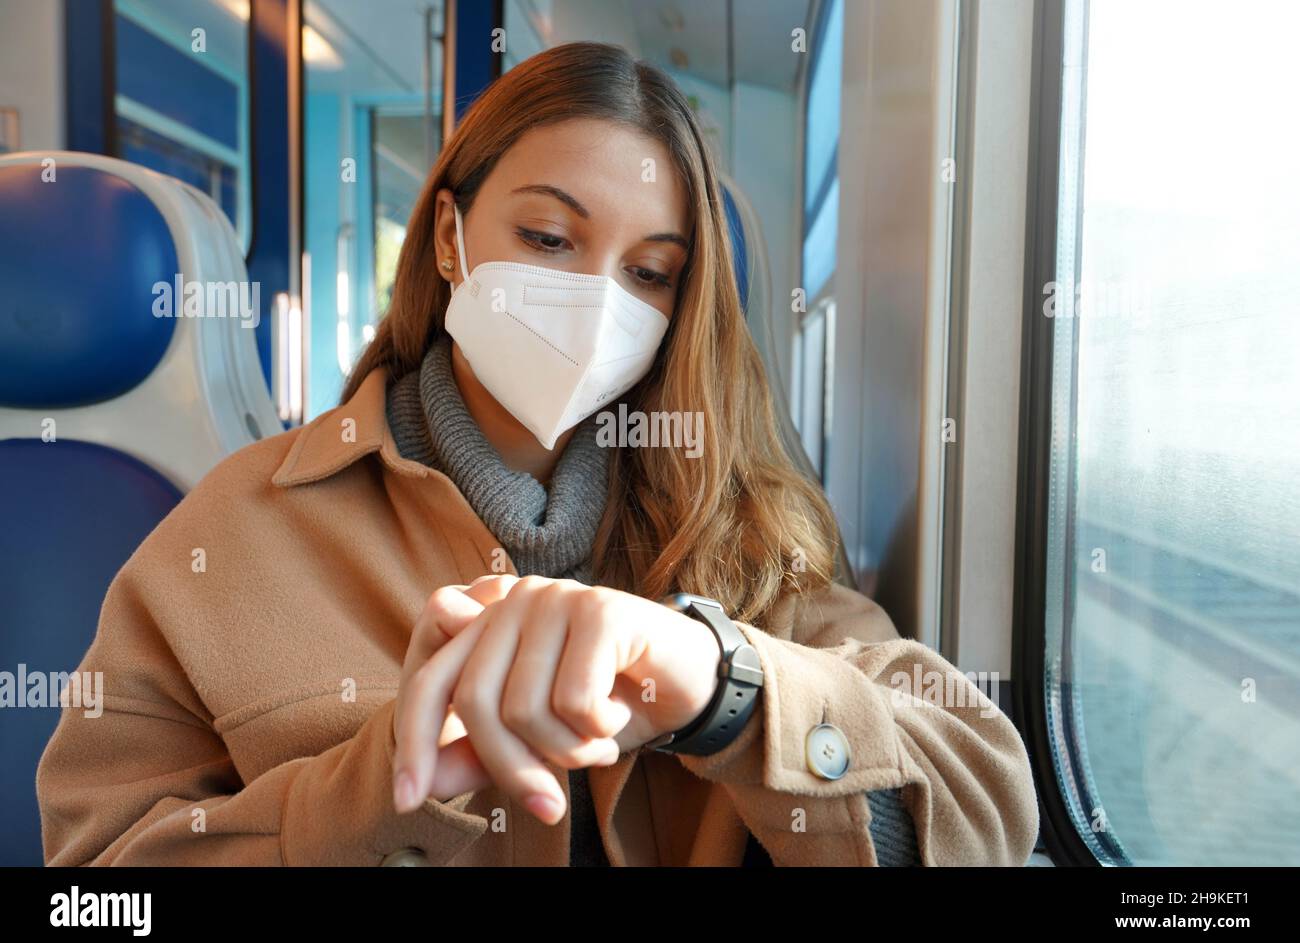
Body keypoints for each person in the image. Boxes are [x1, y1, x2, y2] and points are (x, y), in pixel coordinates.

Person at [36, 42, 1039, 867]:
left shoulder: (748, 530)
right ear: (447, 235)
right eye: (550, 238)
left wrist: (722, 686)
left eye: (649, 270)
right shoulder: (238, 527)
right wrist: (378, 786)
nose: (600, 299)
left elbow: (983, 815)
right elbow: (100, 881)